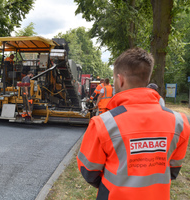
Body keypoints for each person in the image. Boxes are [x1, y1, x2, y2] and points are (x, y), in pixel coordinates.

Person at [77, 48, 190, 200]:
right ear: (147, 80)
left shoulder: (103, 123)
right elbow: (173, 170)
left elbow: (89, 171)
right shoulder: (180, 122)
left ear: (120, 79)